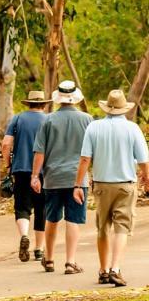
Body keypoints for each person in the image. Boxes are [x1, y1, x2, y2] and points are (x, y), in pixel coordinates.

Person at [74, 89, 149, 287]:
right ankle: (115, 268)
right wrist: (147, 179)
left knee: (103, 227)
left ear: (107, 108)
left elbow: (84, 159)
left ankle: (103, 270)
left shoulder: (94, 127)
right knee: (122, 227)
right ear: (124, 109)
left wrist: (77, 185)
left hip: (101, 185)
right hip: (125, 185)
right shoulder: (132, 129)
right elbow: (143, 160)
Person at [31, 80, 93, 274]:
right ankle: (70, 261)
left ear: (59, 98)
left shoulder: (48, 120)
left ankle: (48, 259)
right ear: (75, 98)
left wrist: (35, 176)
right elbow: (92, 152)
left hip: (53, 178)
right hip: (78, 179)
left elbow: (39, 152)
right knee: (73, 220)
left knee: (52, 219)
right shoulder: (87, 120)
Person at [2, 91, 50, 262]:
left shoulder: (18, 118)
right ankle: (39, 249)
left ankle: (24, 235)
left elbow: (6, 143)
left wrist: (7, 164)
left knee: (22, 206)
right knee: (41, 208)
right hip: (45, 171)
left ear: (28, 103)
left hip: (21, 169)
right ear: (44, 104)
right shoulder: (48, 119)